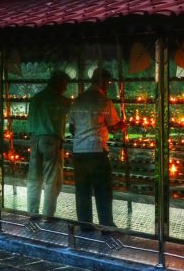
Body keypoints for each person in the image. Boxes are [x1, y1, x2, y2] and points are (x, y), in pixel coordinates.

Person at [67, 68, 126, 229]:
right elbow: (113, 128)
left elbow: (72, 128)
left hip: (79, 151)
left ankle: (85, 224)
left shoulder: (78, 100)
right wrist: (123, 124)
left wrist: (82, 134)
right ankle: (106, 225)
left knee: (83, 190)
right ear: (102, 81)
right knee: (102, 190)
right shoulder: (103, 101)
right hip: (96, 151)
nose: (108, 85)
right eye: (107, 82)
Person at [26, 70, 72, 220]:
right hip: (51, 141)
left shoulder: (36, 98)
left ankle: (32, 212)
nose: (65, 88)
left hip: (34, 139)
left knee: (34, 178)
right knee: (52, 180)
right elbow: (74, 116)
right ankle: (48, 215)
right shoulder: (61, 101)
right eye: (65, 85)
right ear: (58, 83)